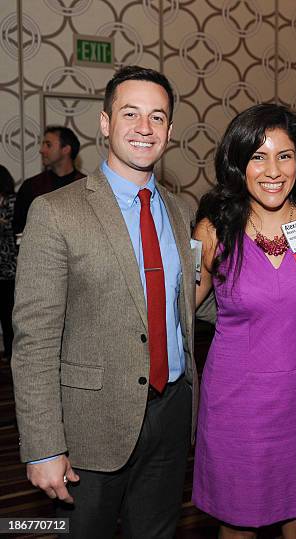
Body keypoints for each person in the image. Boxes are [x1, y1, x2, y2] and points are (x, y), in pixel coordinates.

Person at [11, 65, 198, 538]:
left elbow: (188, 302)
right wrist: (42, 446)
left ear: (170, 131)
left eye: (157, 117)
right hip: (89, 426)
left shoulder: (182, 212)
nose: (144, 127)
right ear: (106, 123)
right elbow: (34, 340)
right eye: (130, 113)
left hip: (171, 411)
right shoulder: (56, 212)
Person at [191, 104, 296, 538]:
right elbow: (174, 313)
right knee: (237, 531)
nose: (273, 170)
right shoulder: (213, 231)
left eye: (284, 156)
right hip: (237, 411)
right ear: (239, 163)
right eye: (258, 156)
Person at [13, 126, 85, 235]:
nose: (41, 150)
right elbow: (19, 228)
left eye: (48, 145)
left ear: (66, 149)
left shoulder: (87, 186)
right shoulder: (31, 186)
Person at [0, 165, 16, 363]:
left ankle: (11, 351)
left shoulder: (12, 200)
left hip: (10, 266)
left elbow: (14, 226)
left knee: (9, 312)